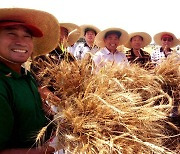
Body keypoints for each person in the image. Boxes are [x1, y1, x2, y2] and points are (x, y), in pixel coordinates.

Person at [0, 7, 60, 153]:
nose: (21, 42)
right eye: (11, 34)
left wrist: (57, 117)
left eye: (27, 36)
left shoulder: (26, 76)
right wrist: (44, 150)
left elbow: (33, 112)